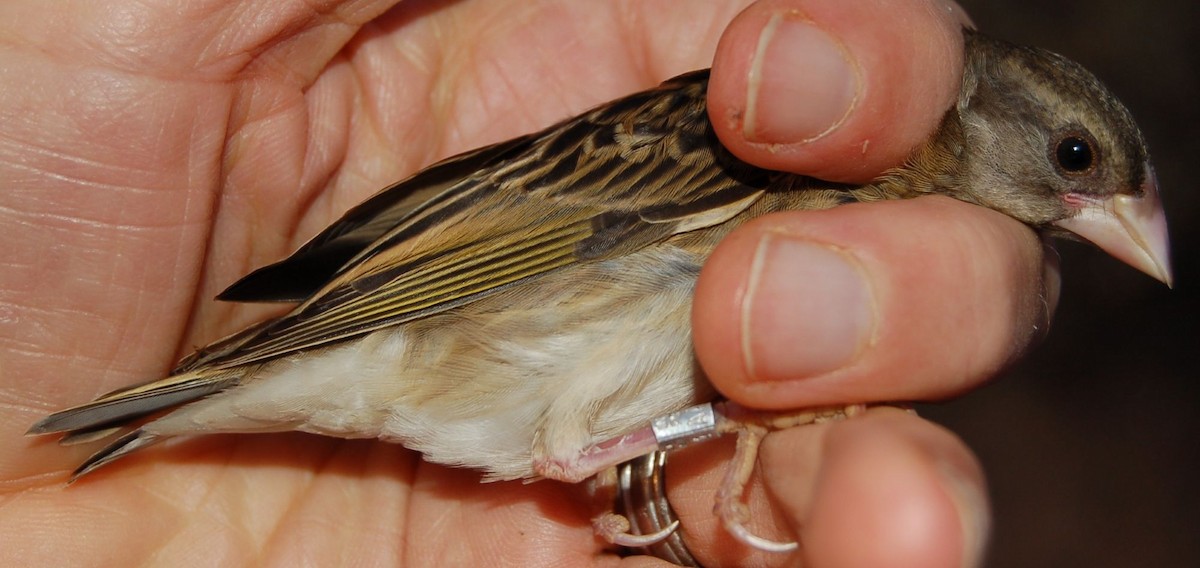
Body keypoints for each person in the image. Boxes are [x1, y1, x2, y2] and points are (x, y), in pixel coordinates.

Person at [0, 0, 1055, 565]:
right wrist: (718, 422)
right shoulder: (750, 145)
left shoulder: (807, 164)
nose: (1104, 213)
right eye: (1076, 163)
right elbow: (518, 233)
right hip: (440, 320)